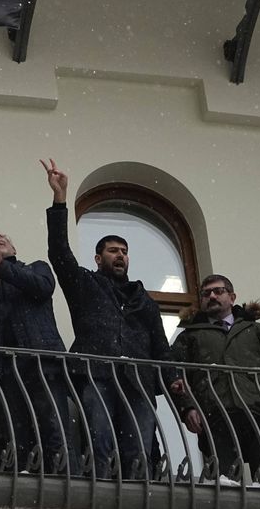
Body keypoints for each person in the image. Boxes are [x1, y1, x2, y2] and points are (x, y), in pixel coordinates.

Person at [40, 158, 172, 480]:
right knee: (99, 444)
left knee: (139, 450)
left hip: (139, 382)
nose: (120, 255)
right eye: (113, 250)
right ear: (98, 258)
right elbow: (59, 252)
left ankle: (139, 501)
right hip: (97, 376)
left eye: (124, 251)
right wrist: (60, 200)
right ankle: (101, 497)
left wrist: (176, 389)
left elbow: (162, 347)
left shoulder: (145, 301)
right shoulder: (86, 285)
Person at [0, 229, 72, 474]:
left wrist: (3, 268)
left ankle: (64, 486)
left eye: (0, 239)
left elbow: (42, 287)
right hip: (6, 374)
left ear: (14, 249)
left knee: (54, 430)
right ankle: (26, 486)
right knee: (17, 435)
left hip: (42, 365)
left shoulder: (36, 268)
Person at [170, 274, 260, 485]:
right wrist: (187, 407)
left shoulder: (256, 330)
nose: (212, 296)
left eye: (218, 291)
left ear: (232, 296)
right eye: (206, 293)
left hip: (259, 411)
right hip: (215, 415)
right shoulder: (190, 336)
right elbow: (176, 374)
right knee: (225, 487)